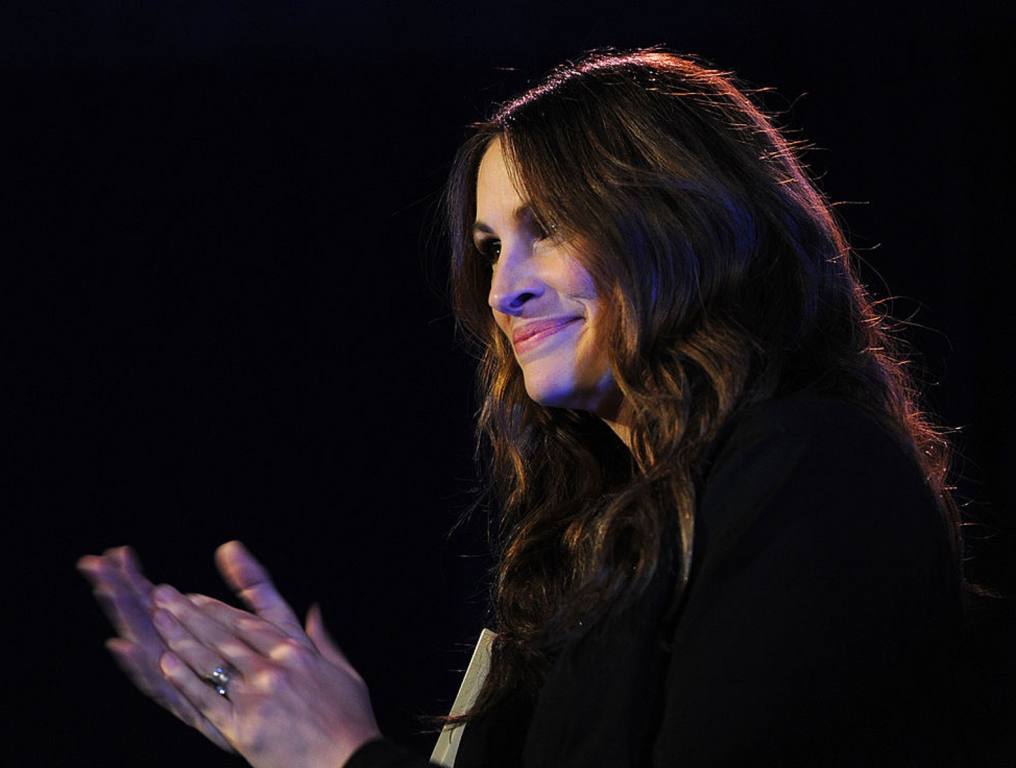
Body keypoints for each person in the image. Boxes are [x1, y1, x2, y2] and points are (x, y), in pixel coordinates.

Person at [77, 47, 975, 767]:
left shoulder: (808, 469)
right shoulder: (604, 534)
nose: (502, 292)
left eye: (546, 229)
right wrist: (282, 720)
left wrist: (340, 756)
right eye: (488, 246)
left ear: (679, 225)